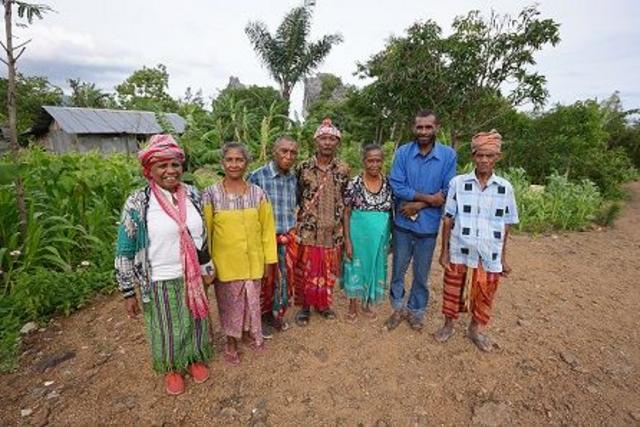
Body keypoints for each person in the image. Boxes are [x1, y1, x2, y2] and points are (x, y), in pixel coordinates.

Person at [115, 134, 213, 396]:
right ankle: (172, 368)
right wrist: (127, 291)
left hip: (191, 274)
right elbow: (125, 247)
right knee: (166, 327)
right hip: (158, 277)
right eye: (162, 166)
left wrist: (206, 268)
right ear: (149, 170)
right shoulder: (138, 201)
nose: (170, 171)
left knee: (195, 320)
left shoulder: (192, 194)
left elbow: (202, 235)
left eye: (175, 165)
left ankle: (194, 359)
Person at [435, 130, 518, 352]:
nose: (484, 160)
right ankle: (448, 325)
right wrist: (444, 252)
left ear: (497, 158)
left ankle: (475, 329)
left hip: (488, 252)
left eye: (489, 156)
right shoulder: (458, 184)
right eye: (480, 155)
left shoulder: (505, 188)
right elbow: (448, 219)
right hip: (460, 249)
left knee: (485, 292)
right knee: (453, 289)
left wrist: (502, 257)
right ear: (473, 156)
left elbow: (507, 224)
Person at [202, 142, 277, 365]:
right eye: (230, 160)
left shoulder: (258, 194)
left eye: (239, 160)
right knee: (229, 305)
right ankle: (231, 342)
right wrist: (207, 266)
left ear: (247, 163)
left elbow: (267, 229)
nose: (234, 164)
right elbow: (206, 232)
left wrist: (269, 260)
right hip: (226, 265)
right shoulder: (211, 194)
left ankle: (247, 333)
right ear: (222, 163)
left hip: (253, 262)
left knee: (250, 302)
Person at [386, 110, 457, 331]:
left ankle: (416, 311)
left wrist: (419, 204)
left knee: (421, 273)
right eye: (420, 127)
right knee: (398, 269)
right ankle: (397, 308)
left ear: (437, 128)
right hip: (403, 224)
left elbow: (447, 190)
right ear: (413, 128)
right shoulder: (403, 153)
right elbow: (396, 186)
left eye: (428, 127)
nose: (424, 131)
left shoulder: (448, 155)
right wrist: (428, 198)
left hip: (428, 226)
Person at [293, 118, 350, 326]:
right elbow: (298, 196)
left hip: (332, 231)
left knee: (328, 271)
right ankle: (305, 307)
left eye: (332, 139)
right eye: (323, 138)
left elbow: (345, 199)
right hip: (309, 231)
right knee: (306, 270)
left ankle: (323, 305)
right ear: (316, 142)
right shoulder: (303, 168)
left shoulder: (343, 169)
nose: (327, 143)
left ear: (337, 143)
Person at [248, 136, 299, 336]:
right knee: (263, 281)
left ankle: (275, 315)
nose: (288, 156)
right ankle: (259, 318)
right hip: (264, 240)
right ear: (274, 152)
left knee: (283, 280)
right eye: (283, 151)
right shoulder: (257, 177)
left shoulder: (294, 179)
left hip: (288, 239)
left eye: (293, 152)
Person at [342, 144, 393, 323]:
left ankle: (367, 303)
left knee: (375, 267)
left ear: (382, 162)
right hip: (358, 235)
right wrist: (347, 240)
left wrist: (391, 238)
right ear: (364, 161)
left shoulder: (389, 183)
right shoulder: (354, 183)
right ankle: (352, 306)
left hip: (380, 235)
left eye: (378, 160)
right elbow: (346, 212)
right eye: (370, 160)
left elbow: (391, 212)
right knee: (355, 267)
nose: (374, 164)